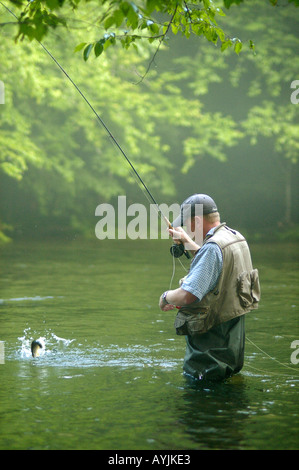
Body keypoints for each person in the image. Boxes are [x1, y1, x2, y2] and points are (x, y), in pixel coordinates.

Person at [159, 194, 260, 382]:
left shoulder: (213, 248)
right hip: (231, 350)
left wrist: (166, 297)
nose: (187, 230)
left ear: (197, 220)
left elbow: (188, 295)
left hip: (208, 360)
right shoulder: (235, 238)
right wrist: (186, 241)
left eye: (187, 224)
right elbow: (216, 265)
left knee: (199, 407)